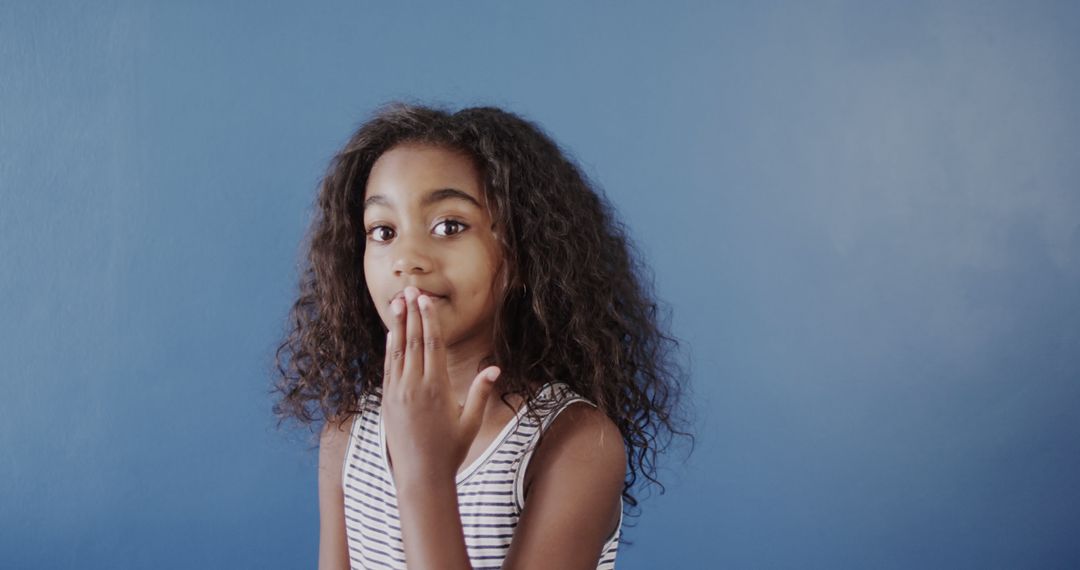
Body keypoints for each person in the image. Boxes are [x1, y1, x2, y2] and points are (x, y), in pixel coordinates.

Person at [272, 102, 690, 569]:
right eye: (383, 230)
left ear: (522, 254)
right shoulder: (346, 436)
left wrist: (425, 474)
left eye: (449, 226)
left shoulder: (574, 444)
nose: (407, 257)